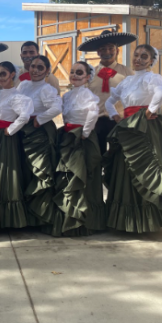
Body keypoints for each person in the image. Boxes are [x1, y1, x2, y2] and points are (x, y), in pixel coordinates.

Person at [104, 44, 162, 233]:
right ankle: (126, 219)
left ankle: (147, 219)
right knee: (126, 169)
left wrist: (149, 110)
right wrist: (114, 115)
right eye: (136, 55)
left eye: (144, 56)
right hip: (127, 127)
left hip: (144, 128)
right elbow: (110, 101)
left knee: (145, 168)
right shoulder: (126, 81)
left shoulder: (152, 78)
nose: (138, 59)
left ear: (151, 61)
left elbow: (161, 93)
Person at [45, 61, 105, 237]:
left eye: (79, 72)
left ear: (87, 77)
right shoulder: (67, 96)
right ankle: (66, 216)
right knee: (65, 176)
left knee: (81, 176)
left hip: (81, 137)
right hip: (68, 135)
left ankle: (83, 221)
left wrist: (85, 132)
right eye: (72, 72)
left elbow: (93, 113)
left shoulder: (88, 95)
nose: (74, 75)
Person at [0, 61, 34, 229]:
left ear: (13, 74)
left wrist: (10, 130)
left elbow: (25, 116)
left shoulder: (18, 97)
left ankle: (7, 219)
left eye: (3, 74)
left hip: (6, 138)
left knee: (5, 173)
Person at [17, 55, 63, 226]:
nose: (35, 70)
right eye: (33, 66)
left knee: (40, 171)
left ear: (47, 71)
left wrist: (39, 119)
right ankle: (26, 215)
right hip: (23, 129)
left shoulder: (47, 88)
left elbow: (57, 107)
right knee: (25, 169)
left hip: (39, 131)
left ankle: (41, 216)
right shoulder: (23, 85)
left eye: (40, 67)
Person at [78, 30, 135, 154]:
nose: (107, 52)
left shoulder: (127, 73)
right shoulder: (90, 74)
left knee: (117, 157)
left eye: (111, 48)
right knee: (96, 155)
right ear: (98, 52)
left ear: (117, 50)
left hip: (118, 121)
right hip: (96, 121)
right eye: (103, 49)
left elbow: (135, 97)